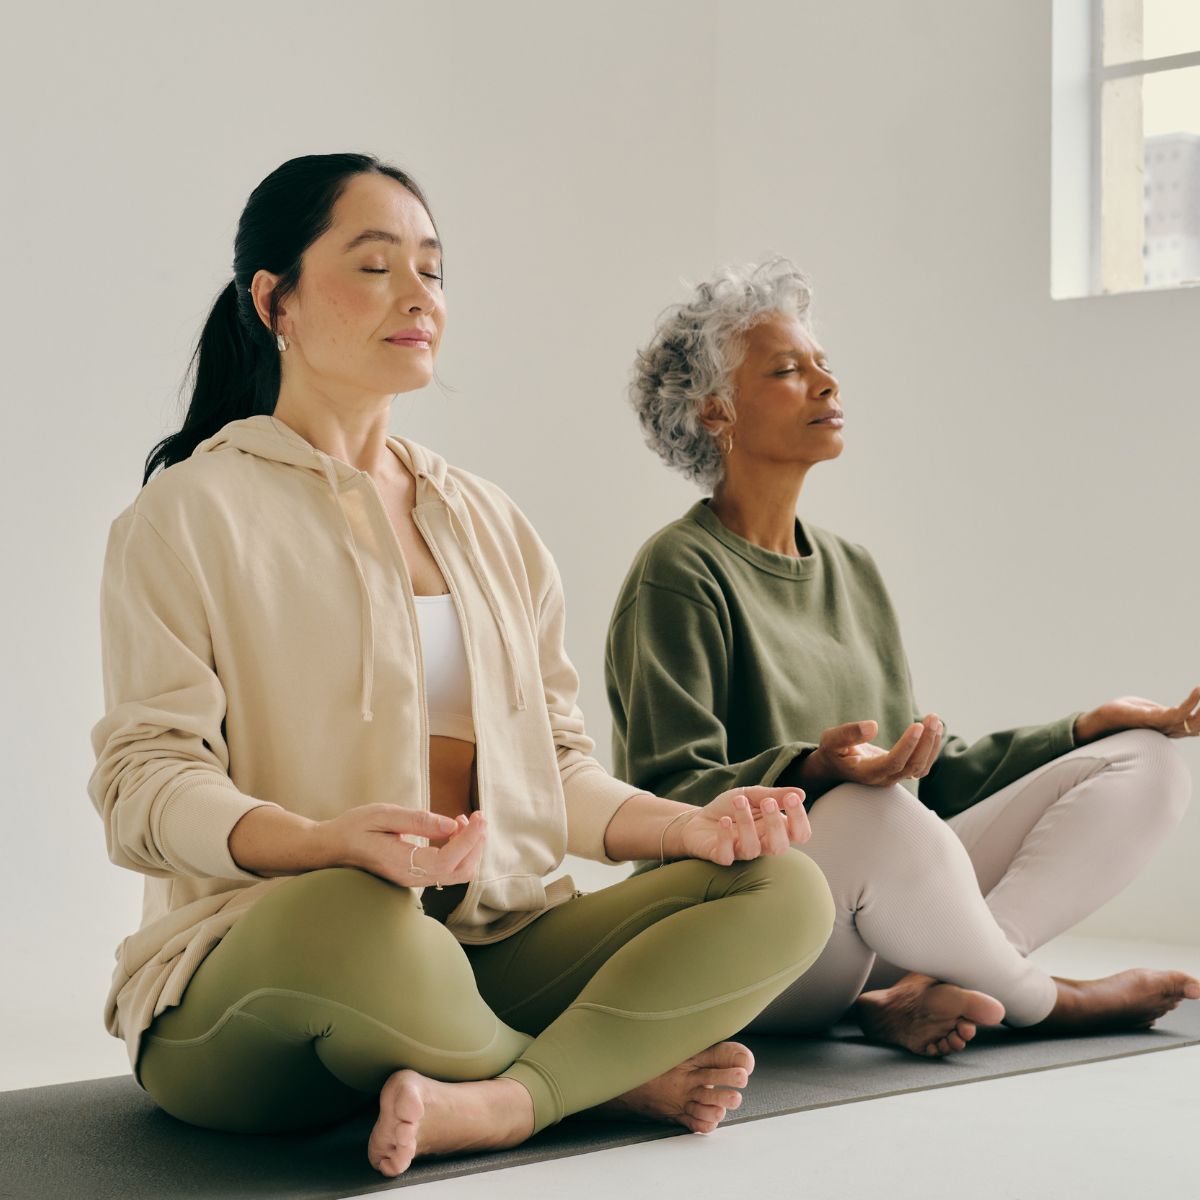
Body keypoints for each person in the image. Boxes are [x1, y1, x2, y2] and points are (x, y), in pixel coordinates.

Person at [87, 159, 837, 1179]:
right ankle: (588, 1083)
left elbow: (559, 770)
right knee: (359, 913)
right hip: (264, 982)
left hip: (489, 952)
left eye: (433, 271)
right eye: (374, 264)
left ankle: (498, 1100)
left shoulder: (489, 521)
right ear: (276, 301)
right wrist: (317, 843)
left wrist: (689, 828)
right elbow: (145, 785)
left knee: (781, 886)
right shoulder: (184, 518)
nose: (416, 296)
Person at [604, 256, 1199, 1058]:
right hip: (754, 933)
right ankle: (1040, 1000)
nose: (825, 384)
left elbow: (927, 776)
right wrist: (816, 772)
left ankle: (934, 986)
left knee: (1146, 759)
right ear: (716, 413)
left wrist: (1083, 727)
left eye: (824, 364)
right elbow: (669, 797)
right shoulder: (678, 571)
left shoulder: (853, 570)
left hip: (883, 908)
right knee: (867, 810)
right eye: (788, 369)